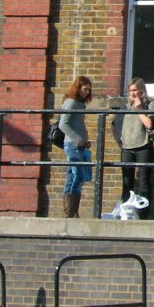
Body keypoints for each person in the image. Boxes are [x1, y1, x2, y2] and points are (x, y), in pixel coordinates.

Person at [112, 78, 154, 218]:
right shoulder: (125, 107)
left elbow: (150, 124)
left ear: (141, 91)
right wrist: (120, 141)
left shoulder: (150, 105)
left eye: (135, 90)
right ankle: (126, 211)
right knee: (127, 181)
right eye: (130, 91)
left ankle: (143, 214)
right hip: (127, 147)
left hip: (144, 146)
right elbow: (115, 124)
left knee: (144, 181)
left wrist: (139, 109)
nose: (132, 93)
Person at [58, 75, 93, 218]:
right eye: (85, 89)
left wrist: (85, 140)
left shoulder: (80, 104)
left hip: (80, 145)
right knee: (76, 176)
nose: (87, 92)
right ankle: (69, 211)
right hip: (72, 144)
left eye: (89, 90)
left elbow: (79, 125)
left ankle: (73, 211)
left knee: (75, 176)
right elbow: (62, 124)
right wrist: (78, 139)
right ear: (77, 88)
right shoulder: (71, 103)